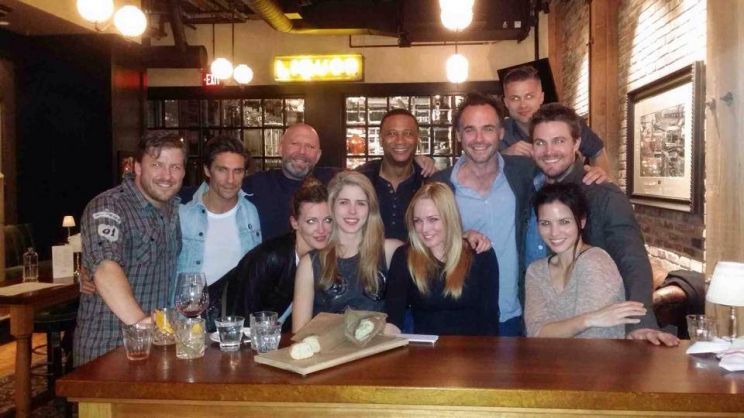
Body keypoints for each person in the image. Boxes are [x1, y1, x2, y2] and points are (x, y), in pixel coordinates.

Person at [432, 93, 603, 337]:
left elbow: (559, 173)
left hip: (516, 315)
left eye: (488, 129)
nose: (479, 139)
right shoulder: (439, 185)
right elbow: (421, 246)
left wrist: (591, 171)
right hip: (458, 315)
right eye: (470, 130)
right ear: (458, 135)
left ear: (501, 133)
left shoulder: (524, 172)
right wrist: (458, 238)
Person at [529, 102, 679, 346]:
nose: (549, 151)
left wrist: (641, 323)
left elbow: (632, 260)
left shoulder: (603, 194)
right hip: (547, 331)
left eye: (558, 141)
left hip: (597, 334)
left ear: (576, 143)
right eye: (540, 143)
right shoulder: (531, 187)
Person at [73, 131, 185, 366]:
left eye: (175, 167)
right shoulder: (109, 206)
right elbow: (105, 266)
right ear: (137, 167)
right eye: (157, 165)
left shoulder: (174, 209)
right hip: (108, 349)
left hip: (155, 348)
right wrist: (143, 324)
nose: (167, 175)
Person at [210, 178, 332, 332]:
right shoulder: (272, 257)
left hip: (272, 338)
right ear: (295, 223)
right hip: (218, 331)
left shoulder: (323, 260)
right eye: (311, 221)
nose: (321, 230)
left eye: (327, 220)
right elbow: (241, 315)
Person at [524, 183, 644, 338]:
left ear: (581, 221)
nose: (554, 233)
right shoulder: (536, 271)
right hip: (549, 355)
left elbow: (594, 338)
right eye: (545, 223)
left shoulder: (595, 262)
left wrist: (554, 330)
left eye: (564, 222)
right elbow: (536, 333)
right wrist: (588, 320)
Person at [292, 171, 403, 332]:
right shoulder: (310, 264)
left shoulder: (391, 251)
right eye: (344, 202)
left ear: (370, 209)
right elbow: (299, 332)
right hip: (328, 347)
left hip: (380, 346)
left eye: (361, 203)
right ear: (331, 206)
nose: (352, 211)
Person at [386, 182, 500, 336]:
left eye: (433, 219)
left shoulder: (480, 255)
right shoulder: (404, 257)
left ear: (449, 218)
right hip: (424, 348)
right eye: (418, 221)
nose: (424, 229)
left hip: (473, 348)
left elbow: (489, 320)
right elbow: (393, 317)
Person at [176, 135, 261, 293]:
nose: (230, 180)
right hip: (191, 306)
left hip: (238, 307)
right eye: (222, 170)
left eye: (238, 171)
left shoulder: (250, 212)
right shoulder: (183, 215)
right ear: (207, 170)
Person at [500, 65, 610, 173]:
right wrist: (503, 156)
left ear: (541, 97)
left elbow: (597, 152)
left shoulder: (567, 121)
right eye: (515, 98)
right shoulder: (498, 132)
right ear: (506, 102)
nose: (523, 105)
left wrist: (599, 177)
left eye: (529, 96)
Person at [241, 123, 338, 241]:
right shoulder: (255, 185)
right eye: (295, 144)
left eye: (310, 146)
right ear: (280, 148)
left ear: (318, 156)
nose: (302, 151)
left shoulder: (334, 182)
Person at [356, 109, 428, 240]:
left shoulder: (428, 182)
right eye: (392, 133)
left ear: (417, 139)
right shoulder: (361, 179)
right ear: (381, 140)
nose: (400, 140)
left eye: (408, 133)